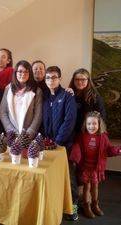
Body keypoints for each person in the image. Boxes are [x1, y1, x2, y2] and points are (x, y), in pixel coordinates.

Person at [70, 111, 121, 219]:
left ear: (99, 125)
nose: (91, 126)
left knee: (95, 187)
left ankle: (95, 204)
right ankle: (86, 205)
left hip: (96, 168)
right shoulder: (82, 136)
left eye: (94, 124)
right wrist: (74, 157)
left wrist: (118, 150)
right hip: (85, 167)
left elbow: (108, 149)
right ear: (85, 124)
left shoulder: (103, 137)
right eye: (89, 124)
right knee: (86, 187)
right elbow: (77, 147)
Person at [42, 66, 78, 220]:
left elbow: (69, 121)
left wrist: (57, 142)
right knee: (52, 177)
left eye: (54, 77)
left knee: (69, 178)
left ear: (60, 78)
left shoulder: (67, 96)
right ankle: (56, 206)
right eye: (48, 77)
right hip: (48, 145)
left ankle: (73, 208)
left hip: (63, 145)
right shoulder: (45, 98)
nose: (51, 80)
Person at [0, 60, 42, 138]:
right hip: (11, 134)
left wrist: (29, 133)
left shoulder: (37, 90)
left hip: (28, 136)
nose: (23, 74)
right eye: (20, 71)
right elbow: (3, 112)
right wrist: (11, 131)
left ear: (30, 74)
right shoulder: (8, 88)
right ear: (15, 73)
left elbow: (38, 115)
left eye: (26, 72)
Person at [69, 68, 106, 133]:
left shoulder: (95, 97)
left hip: (88, 131)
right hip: (72, 131)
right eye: (77, 79)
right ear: (73, 80)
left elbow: (101, 117)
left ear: (88, 81)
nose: (79, 82)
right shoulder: (69, 94)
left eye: (83, 79)